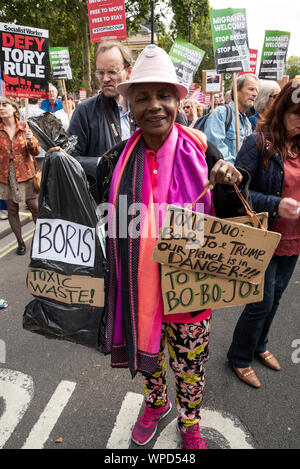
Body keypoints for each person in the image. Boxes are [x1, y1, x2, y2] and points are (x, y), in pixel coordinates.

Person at [96, 45, 250, 449]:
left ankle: (191, 420)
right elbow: (99, 216)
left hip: (189, 287)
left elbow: (232, 219)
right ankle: (156, 402)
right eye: (143, 97)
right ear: (129, 105)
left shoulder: (203, 152)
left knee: (190, 362)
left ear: (178, 100)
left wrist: (231, 180)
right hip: (140, 286)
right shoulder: (115, 161)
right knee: (150, 355)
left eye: (164, 95)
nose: (155, 106)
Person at [227, 79, 300, 388]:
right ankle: (239, 357)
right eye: (297, 114)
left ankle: (260, 345)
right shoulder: (258, 143)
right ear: (282, 110)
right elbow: (237, 192)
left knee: (276, 299)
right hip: (264, 237)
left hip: (293, 239)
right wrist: (275, 204)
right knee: (260, 301)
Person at [68, 41, 133, 183]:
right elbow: (68, 160)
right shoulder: (84, 111)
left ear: (128, 72)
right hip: (101, 200)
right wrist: (105, 164)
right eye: (100, 73)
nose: (105, 79)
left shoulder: (142, 109)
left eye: (112, 72)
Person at [0, 97, 40, 255]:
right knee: (12, 210)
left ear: (14, 109)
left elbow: (35, 152)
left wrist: (31, 141)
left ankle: (43, 239)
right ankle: (20, 241)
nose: (1, 108)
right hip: (5, 175)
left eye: (4, 105)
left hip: (26, 173)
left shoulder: (25, 127)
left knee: (35, 208)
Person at [203, 74, 259, 164]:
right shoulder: (221, 113)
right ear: (237, 92)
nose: (255, 94)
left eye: (256, 90)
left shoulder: (247, 123)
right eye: (251, 89)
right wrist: (235, 168)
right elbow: (215, 148)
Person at [19, 98, 46, 172]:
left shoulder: (21, 111)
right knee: (40, 174)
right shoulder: (43, 112)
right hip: (40, 147)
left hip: (27, 146)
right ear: (38, 100)